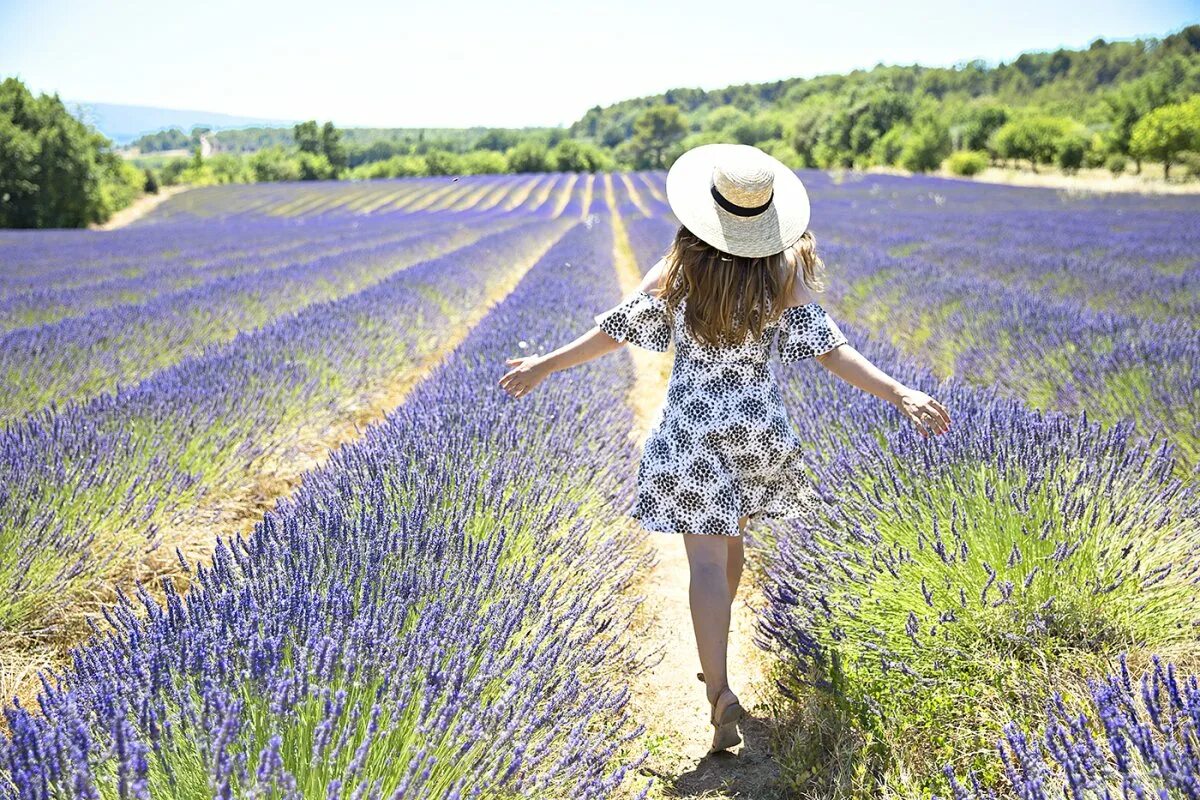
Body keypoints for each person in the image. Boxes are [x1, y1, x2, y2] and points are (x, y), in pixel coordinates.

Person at [498, 143, 951, 755]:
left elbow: (615, 329)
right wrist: (900, 392)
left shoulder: (680, 269)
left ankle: (718, 692)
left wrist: (545, 365)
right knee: (731, 553)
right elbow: (831, 348)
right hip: (755, 432)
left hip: (691, 433)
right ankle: (719, 666)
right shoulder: (782, 272)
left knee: (707, 565)